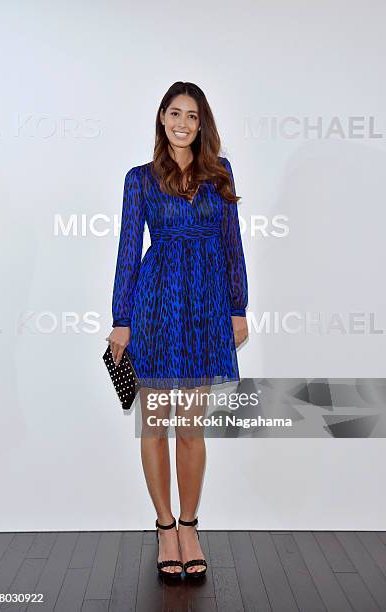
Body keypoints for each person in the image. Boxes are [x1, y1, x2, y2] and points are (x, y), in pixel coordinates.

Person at [107, 81, 248, 579]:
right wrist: (121, 320)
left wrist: (238, 306)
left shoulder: (219, 174)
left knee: (191, 427)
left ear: (201, 122)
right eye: (174, 113)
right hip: (156, 303)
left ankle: (190, 525)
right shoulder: (139, 179)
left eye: (192, 115)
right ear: (161, 119)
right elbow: (128, 251)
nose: (182, 123)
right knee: (154, 422)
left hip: (207, 305)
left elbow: (232, 243)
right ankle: (165, 527)